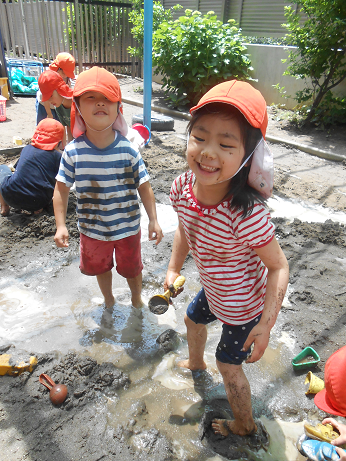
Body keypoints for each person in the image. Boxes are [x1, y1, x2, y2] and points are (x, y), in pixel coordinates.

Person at [164, 80, 289, 442]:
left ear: (248, 156)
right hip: (216, 289)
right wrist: (174, 267)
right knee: (191, 318)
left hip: (244, 309)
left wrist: (265, 325)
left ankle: (245, 424)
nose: (208, 153)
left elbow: (279, 266)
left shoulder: (245, 214)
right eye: (200, 137)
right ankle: (195, 361)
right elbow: (185, 229)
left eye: (226, 144)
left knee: (229, 366)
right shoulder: (182, 188)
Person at [53, 66, 163, 310]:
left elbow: (144, 186)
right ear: (78, 107)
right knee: (101, 268)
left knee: (132, 269)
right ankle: (109, 299)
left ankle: (136, 299)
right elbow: (60, 190)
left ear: (118, 109)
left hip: (127, 228)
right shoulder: (73, 152)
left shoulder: (128, 149)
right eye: (91, 98)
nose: (99, 103)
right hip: (93, 229)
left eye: (107, 99)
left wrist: (153, 220)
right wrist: (60, 225)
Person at [0, 118, 64, 216]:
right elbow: (60, 181)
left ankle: (4, 206)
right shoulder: (57, 156)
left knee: (2, 168)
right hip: (38, 201)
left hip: (11, 196)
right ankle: (37, 210)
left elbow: (18, 170)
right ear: (58, 142)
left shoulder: (27, 149)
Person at [36, 52, 75, 146]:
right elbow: (45, 99)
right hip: (45, 105)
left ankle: (58, 146)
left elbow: (68, 125)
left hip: (59, 104)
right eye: (64, 73)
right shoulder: (48, 79)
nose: (66, 76)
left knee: (59, 126)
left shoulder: (65, 81)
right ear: (58, 68)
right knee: (46, 128)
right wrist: (49, 113)